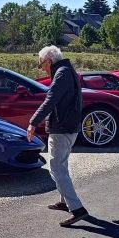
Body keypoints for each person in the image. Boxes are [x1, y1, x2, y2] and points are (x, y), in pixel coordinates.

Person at [27, 45, 88, 227]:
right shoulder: (68, 70)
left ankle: (77, 209)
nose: (42, 68)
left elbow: (50, 99)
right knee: (62, 165)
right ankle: (64, 201)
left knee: (56, 168)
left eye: (41, 64)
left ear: (49, 60)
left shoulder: (61, 74)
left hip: (62, 128)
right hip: (70, 126)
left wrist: (33, 122)